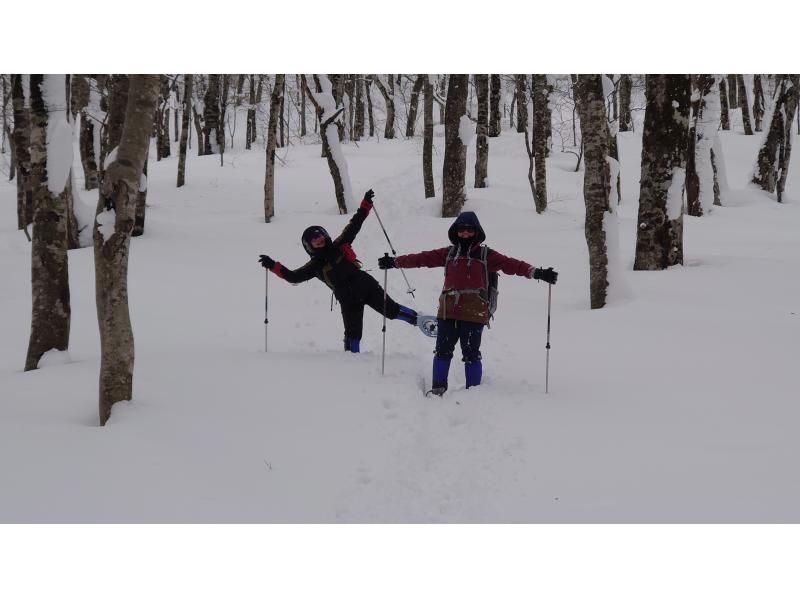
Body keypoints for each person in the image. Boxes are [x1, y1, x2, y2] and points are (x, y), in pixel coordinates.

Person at [378, 211, 558, 396]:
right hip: (448, 311)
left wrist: (537, 273)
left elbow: (511, 264)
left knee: (471, 354)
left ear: (476, 232)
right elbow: (421, 258)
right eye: (461, 230)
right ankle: (438, 388)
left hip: (474, 312)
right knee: (442, 351)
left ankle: (473, 394)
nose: (464, 234)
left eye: (469, 230)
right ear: (455, 231)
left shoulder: (486, 254)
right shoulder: (448, 253)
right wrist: (394, 262)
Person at [258, 189, 419, 353]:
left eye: (320, 235)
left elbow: (355, 224)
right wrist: (273, 265)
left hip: (366, 286)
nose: (319, 239)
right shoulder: (314, 266)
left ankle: (420, 321)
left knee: (391, 311)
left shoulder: (340, 244)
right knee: (353, 333)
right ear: (309, 246)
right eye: (314, 239)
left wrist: (365, 204)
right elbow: (293, 277)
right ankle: (351, 359)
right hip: (348, 300)